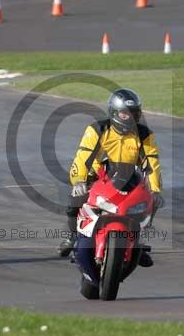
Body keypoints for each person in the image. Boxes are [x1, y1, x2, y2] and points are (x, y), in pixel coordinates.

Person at [58, 88, 163, 268]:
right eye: (124, 113)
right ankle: (73, 236)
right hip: (98, 174)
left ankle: (137, 242)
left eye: (133, 113)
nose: (128, 117)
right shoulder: (97, 129)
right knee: (76, 198)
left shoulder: (145, 134)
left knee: (152, 201)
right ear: (114, 112)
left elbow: (152, 163)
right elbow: (82, 156)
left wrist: (155, 190)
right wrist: (80, 181)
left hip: (130, 176)